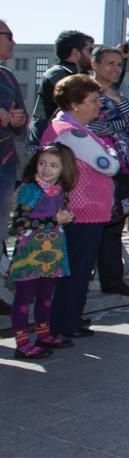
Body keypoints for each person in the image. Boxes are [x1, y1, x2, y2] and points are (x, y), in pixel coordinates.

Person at [42, 75, 120, 339]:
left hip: (82, 209)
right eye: (93, 100)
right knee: (75, 269)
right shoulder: (70, 131)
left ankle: (71, 316)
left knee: (77, 269)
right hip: (81, 210)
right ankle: (65, 323)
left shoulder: (70, 128)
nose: (98, 105)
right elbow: (109, 164)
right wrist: (110, 152)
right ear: (75, 104)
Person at [6, 145, 77, 358]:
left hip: (52, 252)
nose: (46, 169)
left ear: (65, 169)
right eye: (42, 163)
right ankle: (22, 343)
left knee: (46, 296)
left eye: (53, 165)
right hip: (30, 252)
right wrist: (53, 220)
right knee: (23, 298)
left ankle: (43, 335)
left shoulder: (60, 190)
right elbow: (19, 222)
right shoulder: (30, 189)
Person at [89, 45, 129, 296]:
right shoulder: (86, 92)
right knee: (89, 228)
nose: (115, 68)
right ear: (95, 65)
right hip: (94, 170)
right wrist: (120, 125)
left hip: (121, 170)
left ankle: (112, 280)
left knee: (114, 226)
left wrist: (117, 110)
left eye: (119, 64)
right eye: (109, 63)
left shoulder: (117, 95)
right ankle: (82, 283)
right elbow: (94, 128)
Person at [29, 30, 94, 146]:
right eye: (90, 50)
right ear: (75, 53)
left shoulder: (80, 75)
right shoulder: (56, 74)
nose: (93, 56)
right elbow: (79, 101)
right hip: (47, 146)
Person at [0, 20, 29, 277]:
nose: (13, 42)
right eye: (9, 36)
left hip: (5, 164)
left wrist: (18, 120)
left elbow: (21, 118)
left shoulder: (7, 77)